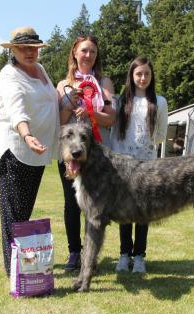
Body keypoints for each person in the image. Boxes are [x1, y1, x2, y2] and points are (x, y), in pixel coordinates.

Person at [0, 26, 60, 276]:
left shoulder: (40, 70)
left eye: (33, 48)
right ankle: (15, 272)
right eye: (23, 48)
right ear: (13, 51)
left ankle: (22, 263)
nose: (29, 52)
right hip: (17, 149)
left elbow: (51, 101)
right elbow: (15, 108)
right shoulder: (9, 75)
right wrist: (27, 134)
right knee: (13, 214)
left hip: (37, 153)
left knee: (24, 212)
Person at [56, 35, 116, 272]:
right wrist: (70, 104)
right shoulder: (63, 85)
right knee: (71, 204)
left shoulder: (105, 83)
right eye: (84, 51)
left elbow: (110, 119)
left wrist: (91, 112)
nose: (88, 55)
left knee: (95, 206)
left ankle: (90, 256)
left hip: (96, 155)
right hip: (69, 154)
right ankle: (74, 253)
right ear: (74, 53)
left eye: (92, 51)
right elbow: (59, 121)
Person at [110, 57, 168, 273]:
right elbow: (114, 130)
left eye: (147, 74)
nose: (142, 78)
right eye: (138, 74)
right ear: (131, 76)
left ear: (151, 77)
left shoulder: (159, 102)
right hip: (123, 165)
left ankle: (140, 257)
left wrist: (147, 146)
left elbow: (161, 133)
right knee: (124, 212)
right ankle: (124, 255)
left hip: (147, 166)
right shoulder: (120, 100)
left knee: (143, 212)